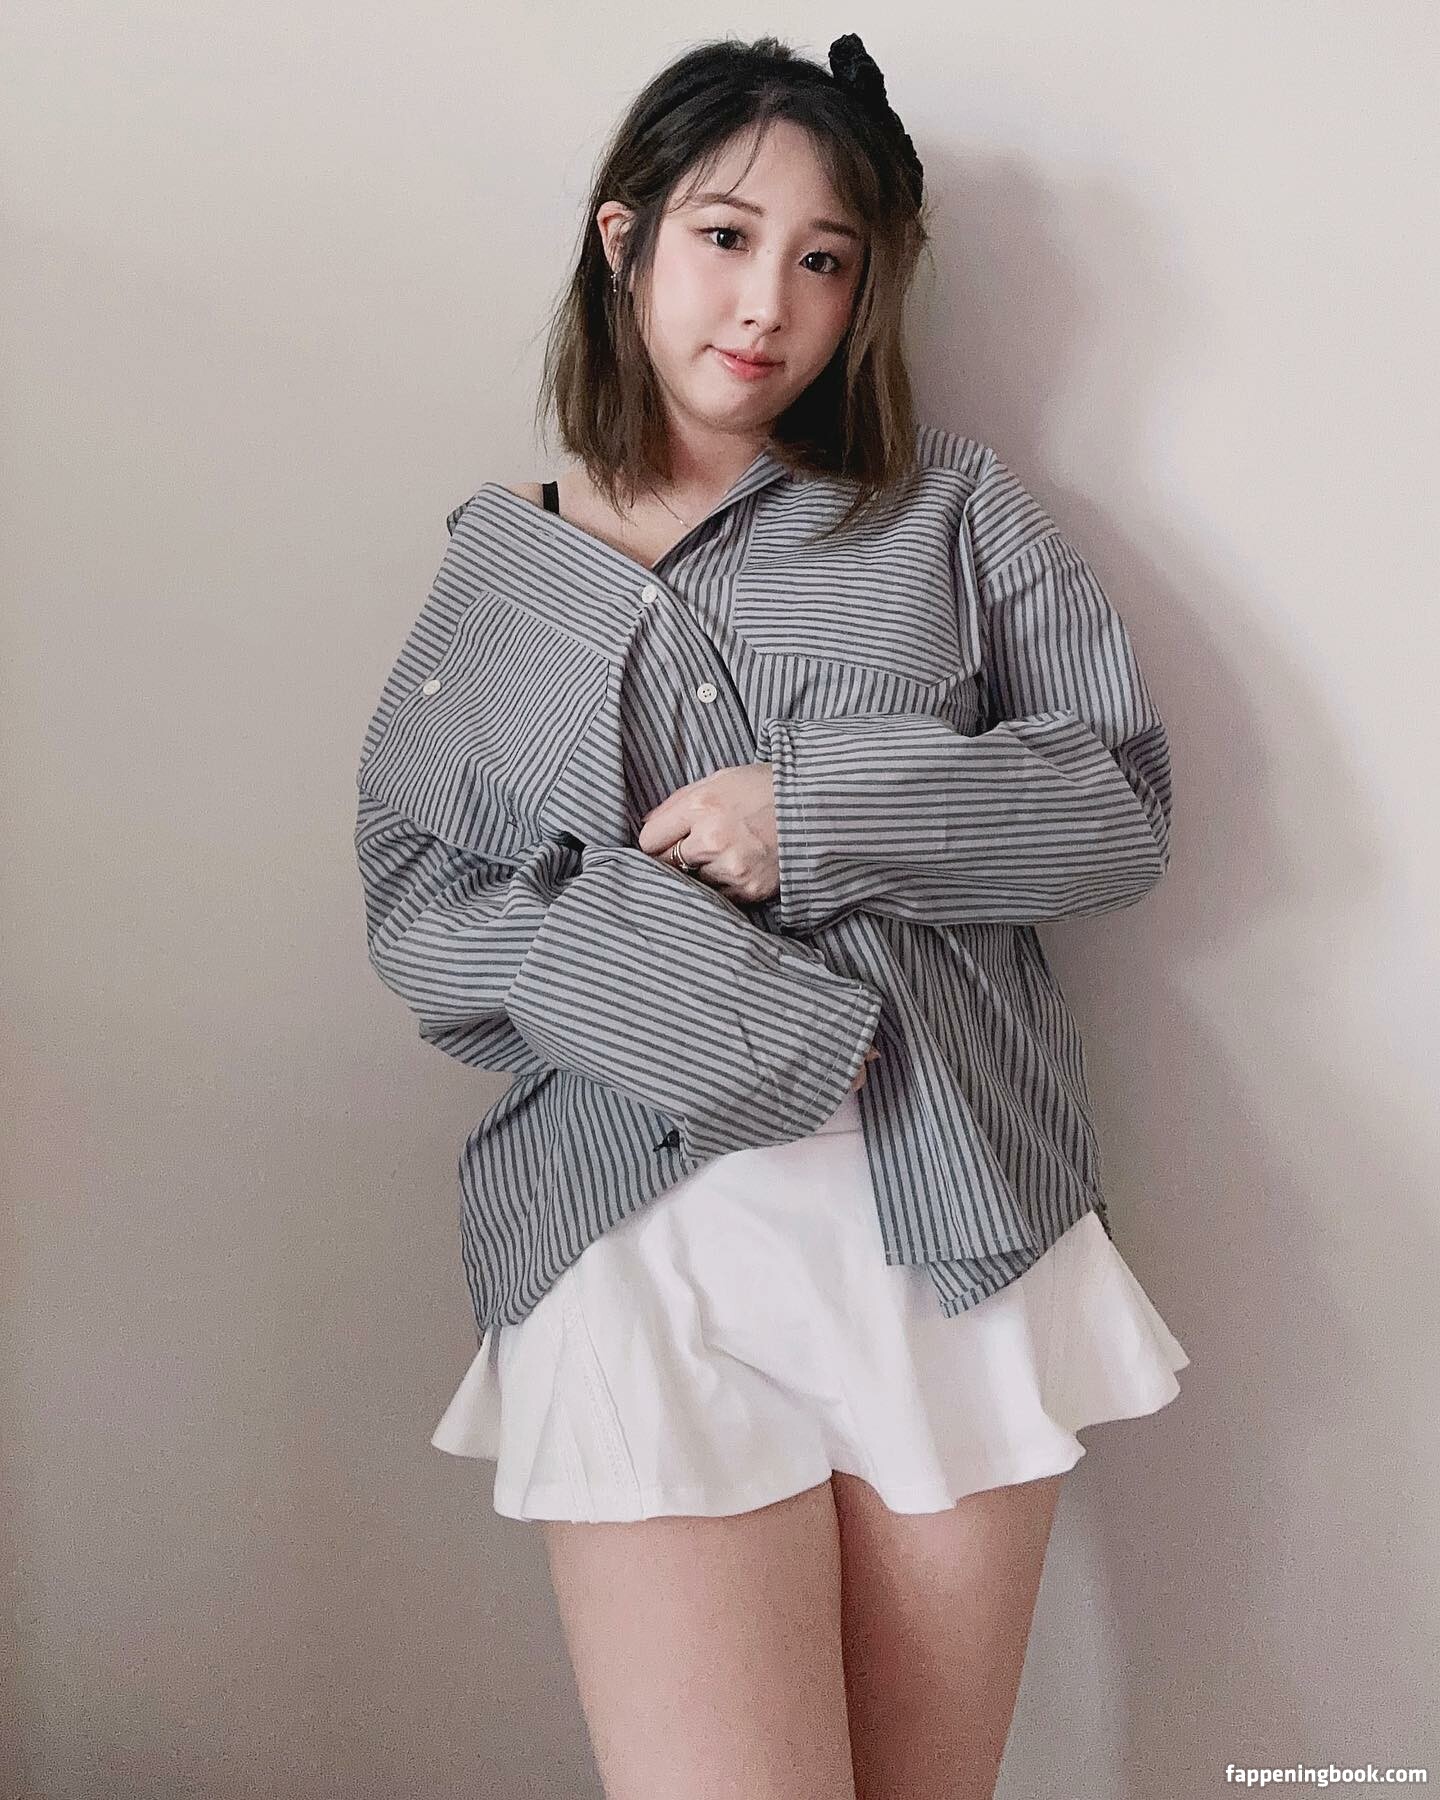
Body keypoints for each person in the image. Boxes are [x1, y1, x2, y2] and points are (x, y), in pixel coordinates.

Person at [354, 32, 1189, 1800]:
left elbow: (1116, 805)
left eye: (825, 260)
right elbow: (422, 905)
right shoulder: (505, 567)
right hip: (629, 1249)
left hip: (954, 1234)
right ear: (626, 238)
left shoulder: (945, 514)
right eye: (727, 238)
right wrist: (702, 997)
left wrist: (814, 814)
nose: (769, 304)